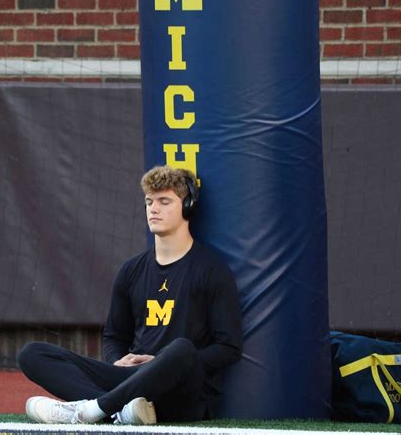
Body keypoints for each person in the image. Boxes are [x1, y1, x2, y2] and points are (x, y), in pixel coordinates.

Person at [17, 165, 243, 425]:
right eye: (149, 202)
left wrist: (159, 362)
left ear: (187, 206)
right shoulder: (131, 270)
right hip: (130, 381)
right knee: (32, 354)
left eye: (164, 201)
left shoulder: (211, 268)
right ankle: (118, 412)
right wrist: (117, 361)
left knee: (181, 349)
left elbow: (229, 348)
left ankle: (94, 409)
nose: (153, 209)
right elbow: (114, 336)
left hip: (182, 390)